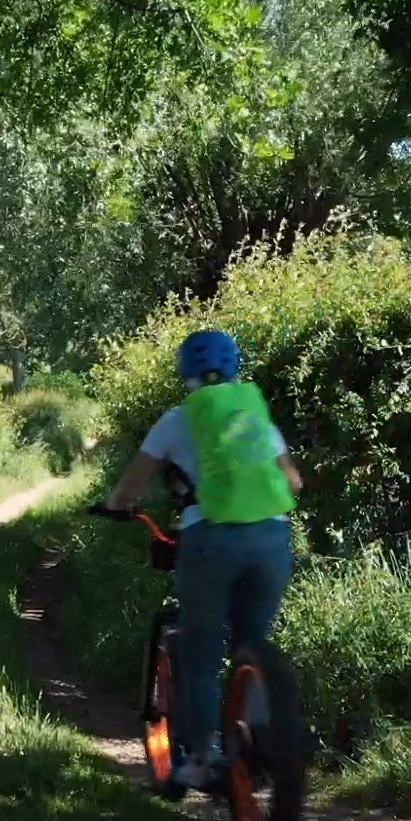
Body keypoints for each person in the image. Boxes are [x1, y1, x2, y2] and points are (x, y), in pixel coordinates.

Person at [101, 329, 303, 790]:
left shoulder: (180, 418)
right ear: (235, 366)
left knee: (203, 647)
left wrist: (116, 504)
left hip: (210, 540)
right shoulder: (253, 416)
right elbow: (293, 483)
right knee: (252, 643)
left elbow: (136, 478)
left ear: (185, 372)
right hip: (272, 537)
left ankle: (202, 755)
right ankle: (260, 743)